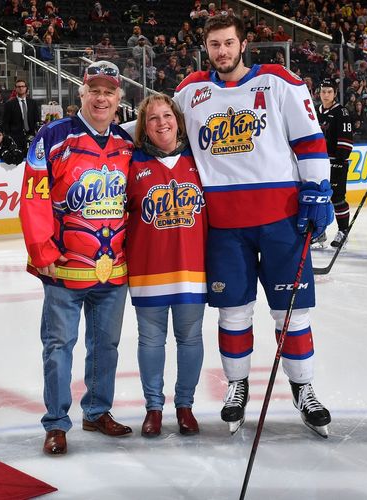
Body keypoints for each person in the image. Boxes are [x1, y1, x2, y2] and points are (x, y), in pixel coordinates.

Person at [173, 14, 333, 437]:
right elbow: (164, 137)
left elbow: (310, 142)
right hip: (224, 227)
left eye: (228, 43)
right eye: (214, 44)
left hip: (282, 221)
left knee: (292, 314)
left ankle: (304, 389)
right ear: (205, 48)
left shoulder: (280, 81)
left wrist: (318, 191)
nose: (221, 51)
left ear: (243, 45)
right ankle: (237, 386)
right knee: (233, 312)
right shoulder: (190, 91)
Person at [19, 61, 133, 456]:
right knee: (58, 347)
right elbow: (33, 195)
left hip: (113, 269)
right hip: (65, 269)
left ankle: (97, 411)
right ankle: (56, 423)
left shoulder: (125, 143)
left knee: (106, 346)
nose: (101, 98)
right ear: (81, 94)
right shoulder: (52, 137)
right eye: (94, 91)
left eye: (109, 91)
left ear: (119, 97)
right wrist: (41, 250)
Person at [126, 93, 207, 438]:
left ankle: (185, 406)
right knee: (150, 341)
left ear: (179, 120)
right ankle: (154, 408)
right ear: (143, 127)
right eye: (153, 118)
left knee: (190, 339)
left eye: (167, 116)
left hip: (192, 269)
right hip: (148, 270)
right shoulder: (132, 162)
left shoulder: (200, 160)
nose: (162, 123)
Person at [314, 78, 353, 249]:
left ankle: (343, 231)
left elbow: (346, 141)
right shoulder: (315, 111)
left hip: (335, 162)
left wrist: (339, 159)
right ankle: (319, 232)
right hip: (317, 162)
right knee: (317, 198)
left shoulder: (342, 112)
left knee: (337, 198)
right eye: (323, 91)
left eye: (329, 92)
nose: (326, 95)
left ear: (335, 94)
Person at [2, 78, 40, 150]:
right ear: (15, 89)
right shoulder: (9, 104)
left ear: (26, 88)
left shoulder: (33, 103)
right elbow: (5, 123)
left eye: (23, 86)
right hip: (15, 137)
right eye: (18, 87)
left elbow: (37, 119)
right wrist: (10, 137)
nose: (21, 88)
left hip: (31, 136)